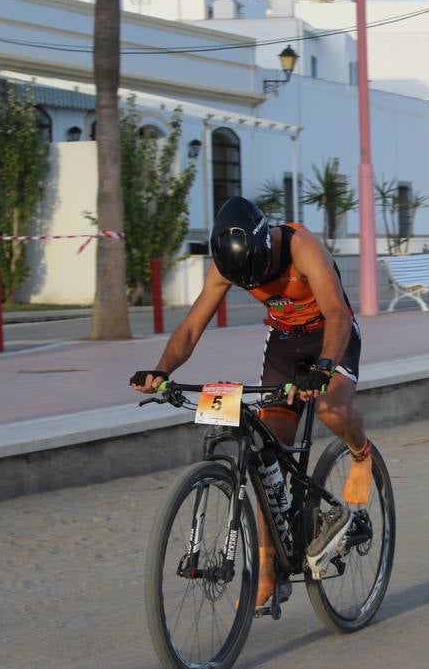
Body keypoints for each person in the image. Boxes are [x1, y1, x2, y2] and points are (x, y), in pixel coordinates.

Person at [130, 197, 372, 600]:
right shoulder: (227, 265)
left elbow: (337, 313)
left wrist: (324, 367)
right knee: (267, 461)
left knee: (330, 408)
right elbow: (191, 328)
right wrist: (162, 371)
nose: (252, 284)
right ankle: (268, 572)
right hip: (283, 344)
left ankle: (360, 452)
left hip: (330, 335)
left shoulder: (301, 247)